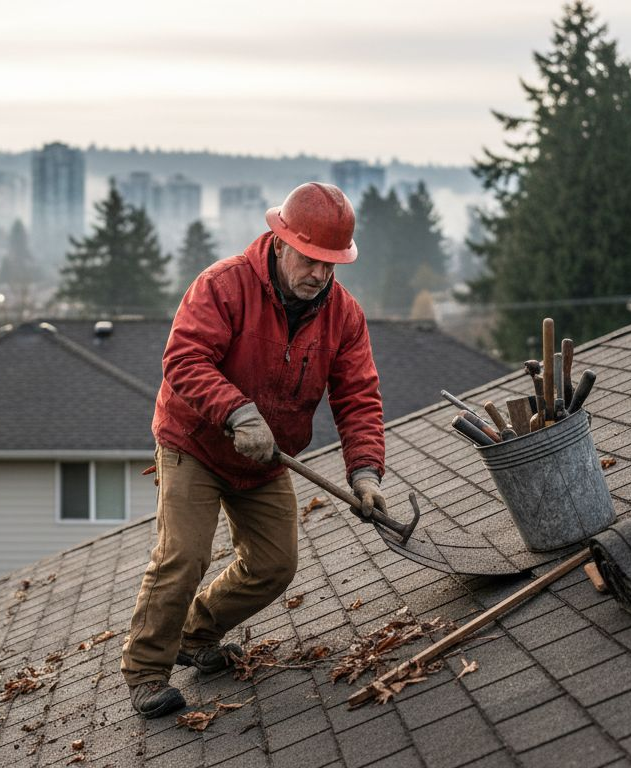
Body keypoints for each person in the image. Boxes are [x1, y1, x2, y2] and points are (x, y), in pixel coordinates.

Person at [121, 182, 388, 717]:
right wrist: (237, 411)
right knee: (184, 556)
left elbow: (358, 397)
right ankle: (147, 671)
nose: (320, 274)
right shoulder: (223, 286)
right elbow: (184, 359)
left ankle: (195, 637)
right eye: (311, 259)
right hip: (195, 442)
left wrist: (365, 474)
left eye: (332, 264)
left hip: (266, 458)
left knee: (274, 564)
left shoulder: (344, 316)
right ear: (281, 241)